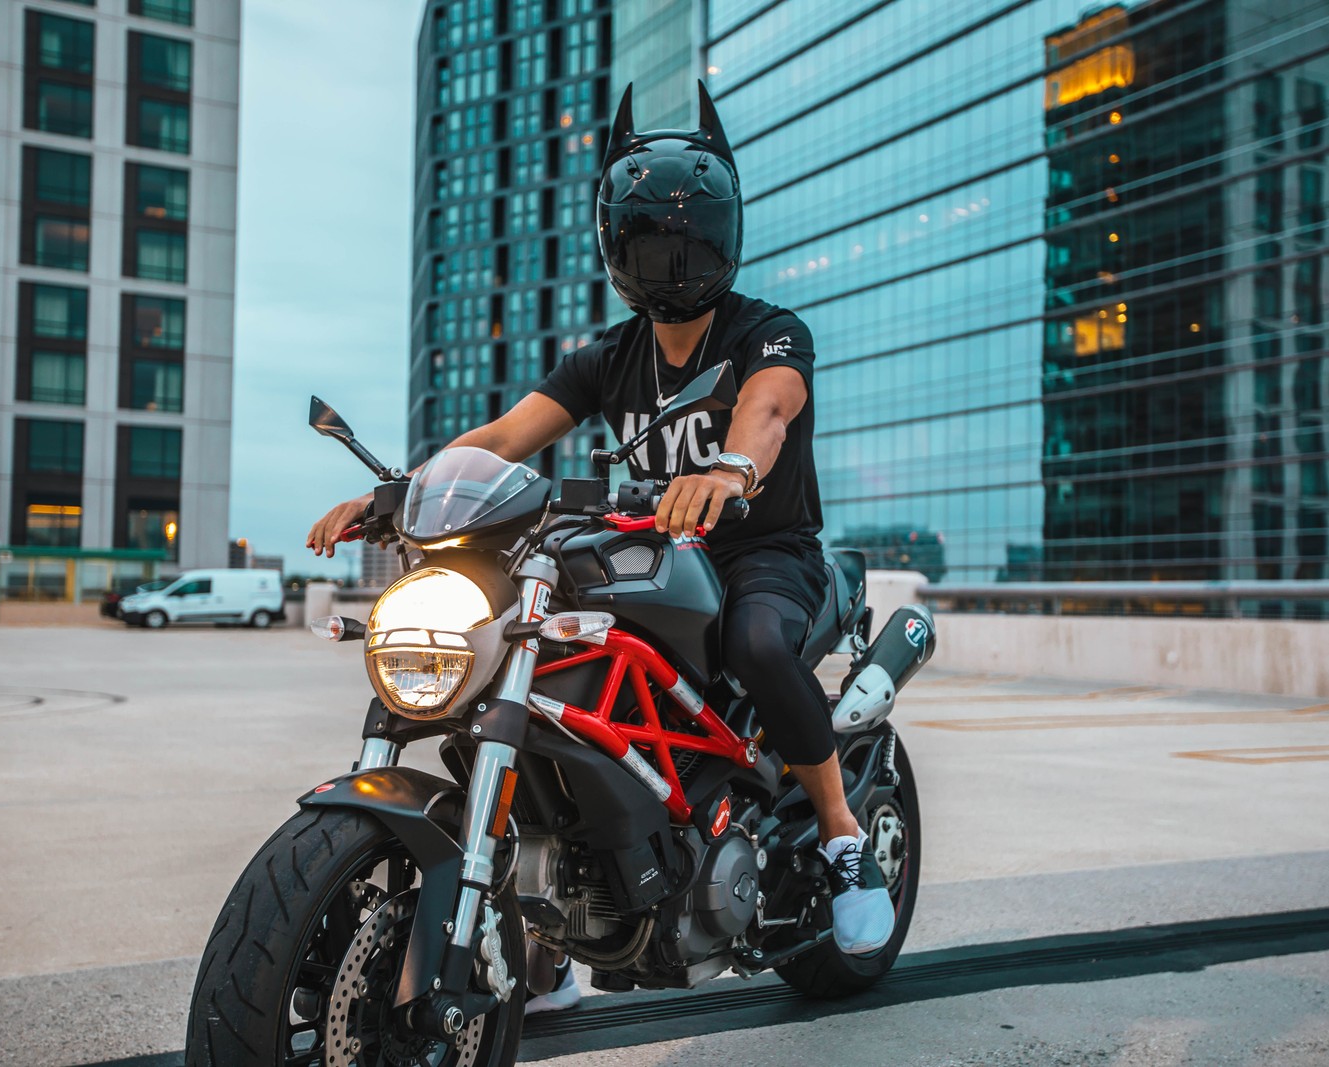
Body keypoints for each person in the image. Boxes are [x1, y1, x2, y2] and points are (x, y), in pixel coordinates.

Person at [307, 81, 894, 1012]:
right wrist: (398, 491)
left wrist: (733, 468)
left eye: (690, 237)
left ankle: (840, 837)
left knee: (756, 644)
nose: (672, 255)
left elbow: (770, 406)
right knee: (548, 677)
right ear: (617, 247)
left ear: (721, 241)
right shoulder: (604, 359)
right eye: (651, 239)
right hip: (646, 551)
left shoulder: (767, 330)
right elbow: (502, 438)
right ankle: (546, 944)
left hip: (761, 553)